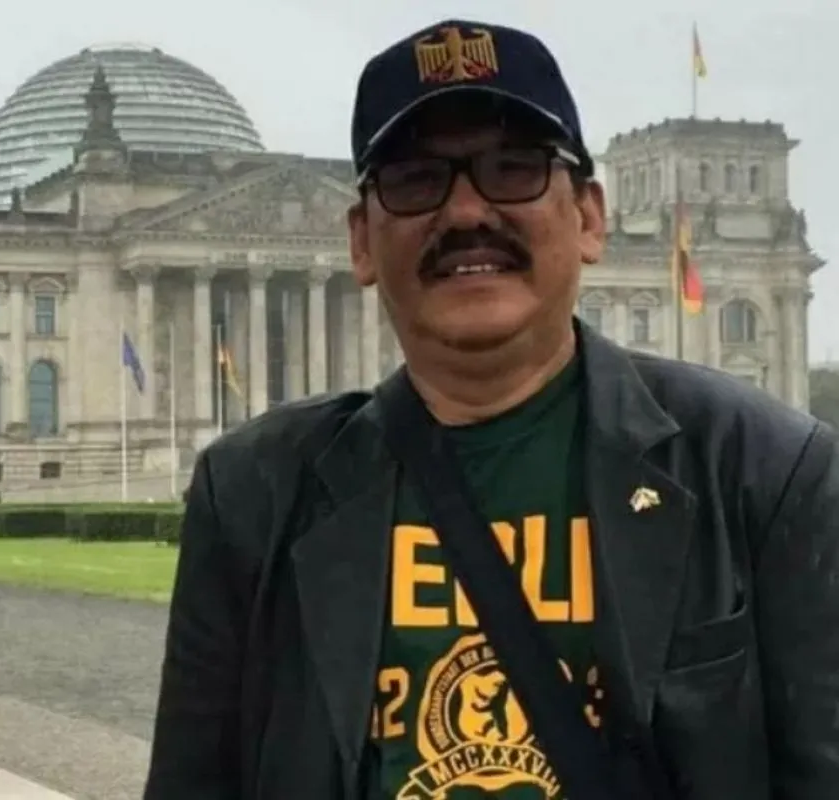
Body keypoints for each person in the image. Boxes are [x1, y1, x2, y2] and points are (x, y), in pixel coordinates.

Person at [145, 19, 839, 799]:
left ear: (590, 218)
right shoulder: (251, 495)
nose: (467, 211)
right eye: (416, 181)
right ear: (361, 242)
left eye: (515, 169)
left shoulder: (764, 471)